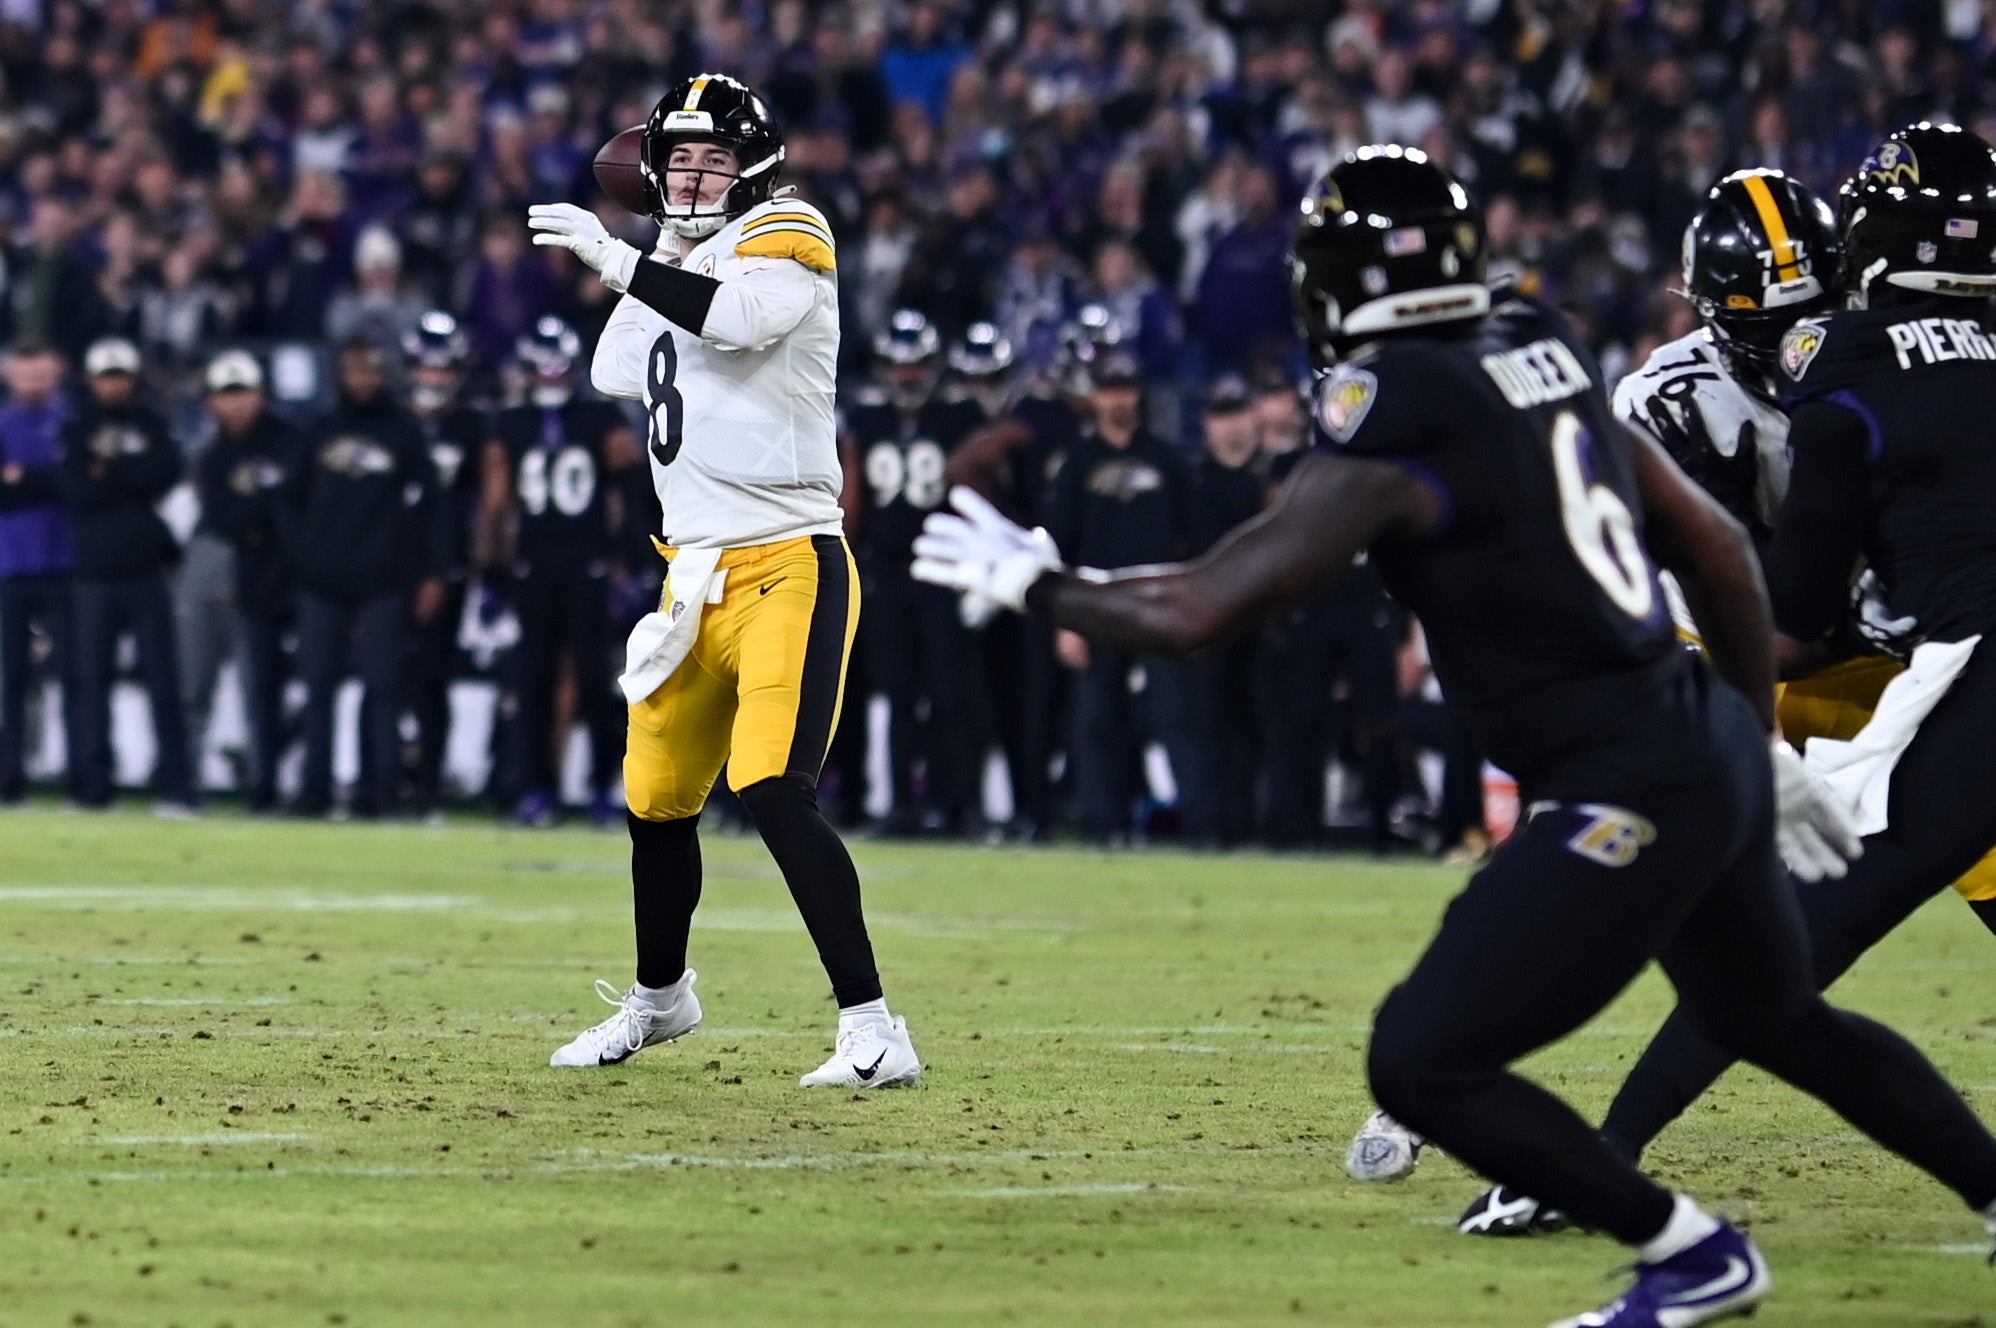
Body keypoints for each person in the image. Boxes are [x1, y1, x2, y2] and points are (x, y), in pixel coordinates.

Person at [911, 145, 1996, 1326]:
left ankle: (1684, 1249)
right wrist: (1748, 744)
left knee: (1419, 1064)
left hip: (1617, 777)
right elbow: (1723, 556)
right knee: (1775, 1014)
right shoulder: (1542, 350)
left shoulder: (1402, 407)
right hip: (1692, 737)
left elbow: (1202, 608)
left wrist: (1043, 586)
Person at [1484, 122, 1996, 1239]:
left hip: (1885, 652)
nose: (1795, 341)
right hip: (1730, 648)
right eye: (1771, 325)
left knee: (1830, 911)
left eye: (1816, 313)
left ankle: (1583, 1142)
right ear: (1715, 314)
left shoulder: (1863, 357)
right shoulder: (1669, 400)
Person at [528, 72, 921, 1087]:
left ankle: (874, 1025)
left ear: (755, 166)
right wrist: (653, 254)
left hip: (787, 558)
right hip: (689, 572)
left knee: (771, 788)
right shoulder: (681, 255)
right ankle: (660, 999)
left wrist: (621, 257)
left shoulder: (793, 228)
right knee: (654, 800)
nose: (691, 177)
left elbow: (738, 324)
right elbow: (615, 373)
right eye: (675, 162)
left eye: (711, 159)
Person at [284, 338, 450, 818]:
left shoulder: (404, 433)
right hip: (323, 581)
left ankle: (378, 793)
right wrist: (306, 555)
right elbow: (289, 501)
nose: (363, 380)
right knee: (317, 690)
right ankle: (313, 790)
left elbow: (433, 508)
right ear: (340, 373)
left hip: (384, 582)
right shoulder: (317, 430)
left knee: (383, 688)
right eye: (355, 370)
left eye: (372, 370)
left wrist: (432, 574)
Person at [1043, 347, 1203, 843]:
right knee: (1096, 718)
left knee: (1175, 714)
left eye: (1126, 389)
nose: (1118, 400)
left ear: (1140, 395)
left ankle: (1198, 824)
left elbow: (1189, 539)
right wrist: (1065, 619)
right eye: (1109, 390)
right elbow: (1058, 545)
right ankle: (1101, 823)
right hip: (1096, 602)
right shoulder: (1078, 464)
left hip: (1156, 601)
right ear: (1094, 397)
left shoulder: (1167, 460)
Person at [482, 314, 633, 827]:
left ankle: (597, 790)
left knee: (595, 682)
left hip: (584, 566)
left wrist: (627, 560)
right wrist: (496, 573)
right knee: (534, 682)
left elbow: (629, 490)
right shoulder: (516, 424)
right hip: (541, 567)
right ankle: (541, 789)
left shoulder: (598, 420)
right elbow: (498, 505)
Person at [843, 308, 986, 835]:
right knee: (899, 695)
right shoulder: (867, 419)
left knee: (951, 693)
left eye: (916, 366)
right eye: (898, 367)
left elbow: (977, 488)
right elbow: (853, 495)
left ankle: (957, 805)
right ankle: (902, 803)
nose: (907, 377)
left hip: (945, 567)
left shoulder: (959, 418)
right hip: (888, 572)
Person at [59, 337, 196, 813]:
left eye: (121, 376)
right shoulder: (76, 429)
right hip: (94, 573)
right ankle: (92, 788)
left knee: (164, 683)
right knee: (90, 683)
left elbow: (166, 472)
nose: (114, 385)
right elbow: (75, 489)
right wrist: (129, 476)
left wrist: (109, 475)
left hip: (145, 571)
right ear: (92, 380)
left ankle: (177, 788)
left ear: (134, 378)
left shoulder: (154, 425)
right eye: (106, 376)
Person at [191, 350, 298, 812]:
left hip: (288, 575)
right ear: (211, 401)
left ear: (261, 394)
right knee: (200, 682)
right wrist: (263, 511)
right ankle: (189, 781)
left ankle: (266, 780)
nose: (234, 403)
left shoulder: (293, 441)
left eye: (242, 392)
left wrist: (258, 515)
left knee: (272, 687)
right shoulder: (211, 455)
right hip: (232, 571)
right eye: (224, 394)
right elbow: (225, 517)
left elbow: (291, 510)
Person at [402, 311, 487, 819]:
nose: (434, 378)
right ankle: (386, 777)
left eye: (443, 368)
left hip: (448, 567)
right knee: (387, 679)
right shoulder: (393, 421)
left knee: (433, 679)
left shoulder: (472, 427)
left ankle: (429, 782)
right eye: (426, 367)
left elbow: (489, 502)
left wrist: (467, 563)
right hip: (388, 567)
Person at [1186, 375, 1268, 847]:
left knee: (1260, 728)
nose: (1231, 427)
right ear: (1206, 425)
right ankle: (1211, 825)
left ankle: (1255, 823)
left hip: (1262, 621)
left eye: (1238, 414)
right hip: (1209, 619)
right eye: (1222, 416)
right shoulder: (1194, 481)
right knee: (1209, 725)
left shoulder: (1274, 481)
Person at [0, 340, 81, 803]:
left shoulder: (73, 423)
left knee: (74, 676)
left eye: (42, 374)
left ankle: (81, 778)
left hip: (65, 566)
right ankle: (11, 780)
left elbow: (76, 485)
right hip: (10, 567)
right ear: (11, 376)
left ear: (56, 375)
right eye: (26, 374)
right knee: (11, 682)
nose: (34, 383)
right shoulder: (5, 422)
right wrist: (50, 480)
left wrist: (22, 479)